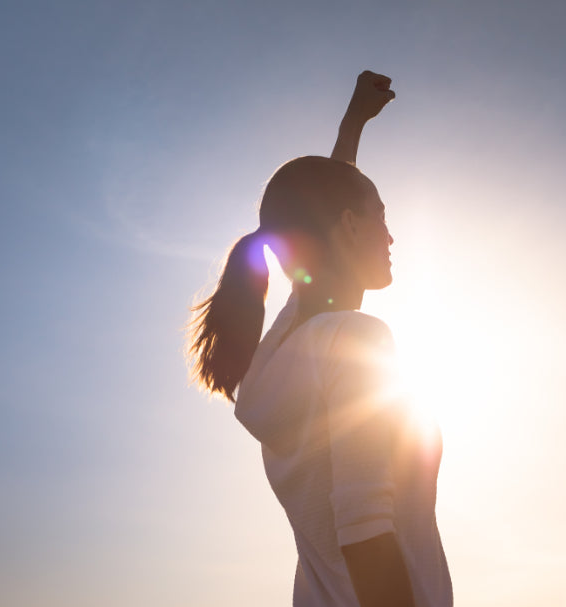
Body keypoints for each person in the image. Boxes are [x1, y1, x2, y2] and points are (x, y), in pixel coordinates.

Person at [188, 71, 452, 607]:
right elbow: (364, 533)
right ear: (351, 225)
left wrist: (352, 127)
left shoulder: (281, 353)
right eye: (381, 216)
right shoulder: (356, 341)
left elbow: (313, 222)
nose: (391, 234)